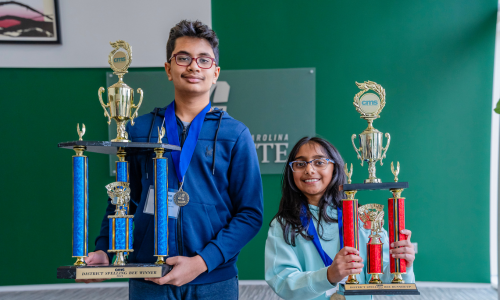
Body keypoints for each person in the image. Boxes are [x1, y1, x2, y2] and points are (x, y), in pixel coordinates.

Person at [82, 20, 264, 300]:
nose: (193, 67)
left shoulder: (235, 134)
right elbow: (123, 199)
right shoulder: (139, 130)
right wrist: (107, 249)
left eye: (204, 60)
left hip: (213, 279)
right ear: (168, 69)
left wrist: (201, 262)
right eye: (183, 58)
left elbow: (250, 214)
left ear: (215, 73)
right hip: (148, 277)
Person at [265, 137, 415, 300]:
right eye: (300, 164)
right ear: (291, 172)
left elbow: (383, 279)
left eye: (319, 162)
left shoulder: (363, 218)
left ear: (334, 168)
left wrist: (401, 265)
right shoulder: (282, 225)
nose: (309, 170)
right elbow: (282, 282)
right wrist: (328, 276)